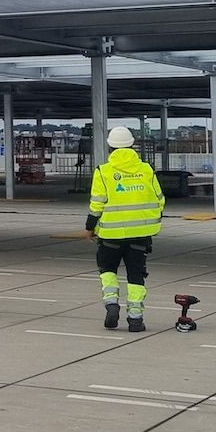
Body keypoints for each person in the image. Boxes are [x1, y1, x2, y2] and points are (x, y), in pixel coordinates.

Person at [84, 125, 165, 332]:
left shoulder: (103, 171)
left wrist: (89, 227)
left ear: (110, 146)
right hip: (139, 236)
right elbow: (159, 200)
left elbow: (97, 204)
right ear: (132, 145)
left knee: (108, 270)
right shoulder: (146, 169)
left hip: (110, 235)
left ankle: (111, 304)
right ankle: (135, 319)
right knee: (136, 275)